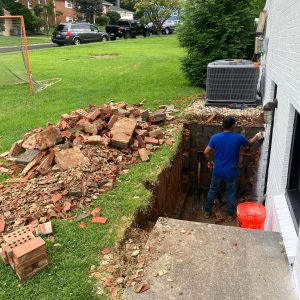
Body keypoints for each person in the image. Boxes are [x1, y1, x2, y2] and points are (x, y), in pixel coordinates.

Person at [203, 116, 264, 222]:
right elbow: (249, 143)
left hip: (217, 171)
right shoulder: (238, 138)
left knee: (212, 190)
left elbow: (206, 152)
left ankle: (207, 211)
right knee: (231, 193)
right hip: (231, 172)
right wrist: (257, 135)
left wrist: (210, 162)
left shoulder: (215, 137)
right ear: (232, 126)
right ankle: (230, 215)